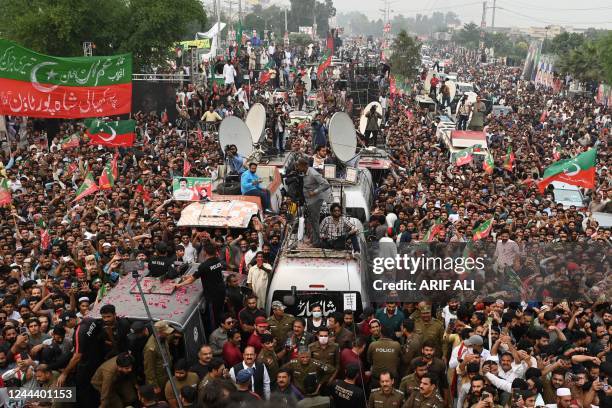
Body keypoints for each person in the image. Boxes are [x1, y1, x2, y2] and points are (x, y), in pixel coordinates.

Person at [176, 243, 225, 336]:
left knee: (213, 318)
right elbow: (201, 274)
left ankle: (214, 335)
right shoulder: (217, 261)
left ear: (205, 252)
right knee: (220, 313)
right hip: (221, 292)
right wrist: (190, 276)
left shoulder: (204, 265)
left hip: (212, 295)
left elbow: (192, 280)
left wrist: (179, 285)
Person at [296, 158, 331, 246]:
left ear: (304, 165)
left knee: (315, 222)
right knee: (311, 221)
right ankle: (313, 239)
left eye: (298, 166)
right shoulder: (305, 172)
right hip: (309, 200)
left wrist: (315, 192)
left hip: (315, 200)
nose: (297, 168)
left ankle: (317, 242)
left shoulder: (313, 173)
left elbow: (326, 184)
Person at [144, 320, 174, 393]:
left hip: (167, 373)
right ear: (159, 333)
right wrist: (155, 386)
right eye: (166, 333)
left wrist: (174, 336)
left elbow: (168, 338)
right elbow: (149, 369)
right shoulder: (151, 348)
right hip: (159, 379)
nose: (168, 334)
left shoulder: (163, 338)